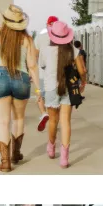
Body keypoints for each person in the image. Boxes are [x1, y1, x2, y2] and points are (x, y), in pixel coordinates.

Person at [0, 5, 37, 172]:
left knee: (3, 122)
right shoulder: (27, 40)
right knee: (19, 119)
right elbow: (32, 66)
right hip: (21, 79)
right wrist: (39, 90)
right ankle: (16, 153)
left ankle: (5, 161)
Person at [38, 19, 85, 168]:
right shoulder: (73, 50)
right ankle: (64, 158)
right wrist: (83, 82)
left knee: (53, 120)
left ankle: (51, 148)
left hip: (51, 87)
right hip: (68, 88)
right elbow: (82, 70)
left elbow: (43, 67)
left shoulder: (45, 50)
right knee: (65, 121)